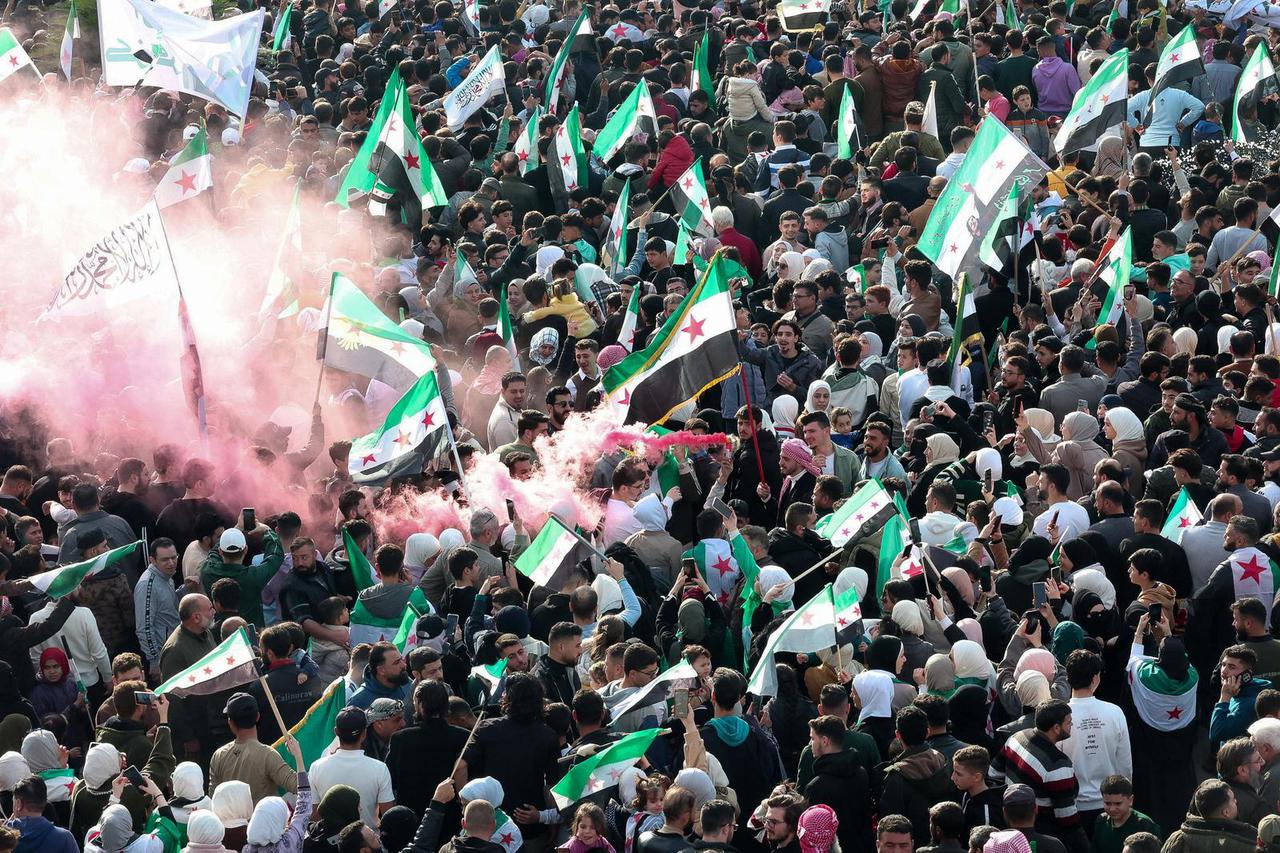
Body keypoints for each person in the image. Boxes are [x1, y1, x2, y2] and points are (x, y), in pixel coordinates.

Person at [308, 707, 394, 825]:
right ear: (364, 733)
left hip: (330, 837)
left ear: (336, 732)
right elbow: (388, 816)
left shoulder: (316, 768)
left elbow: (315, 815)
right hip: (368, 836)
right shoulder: (380, 769)